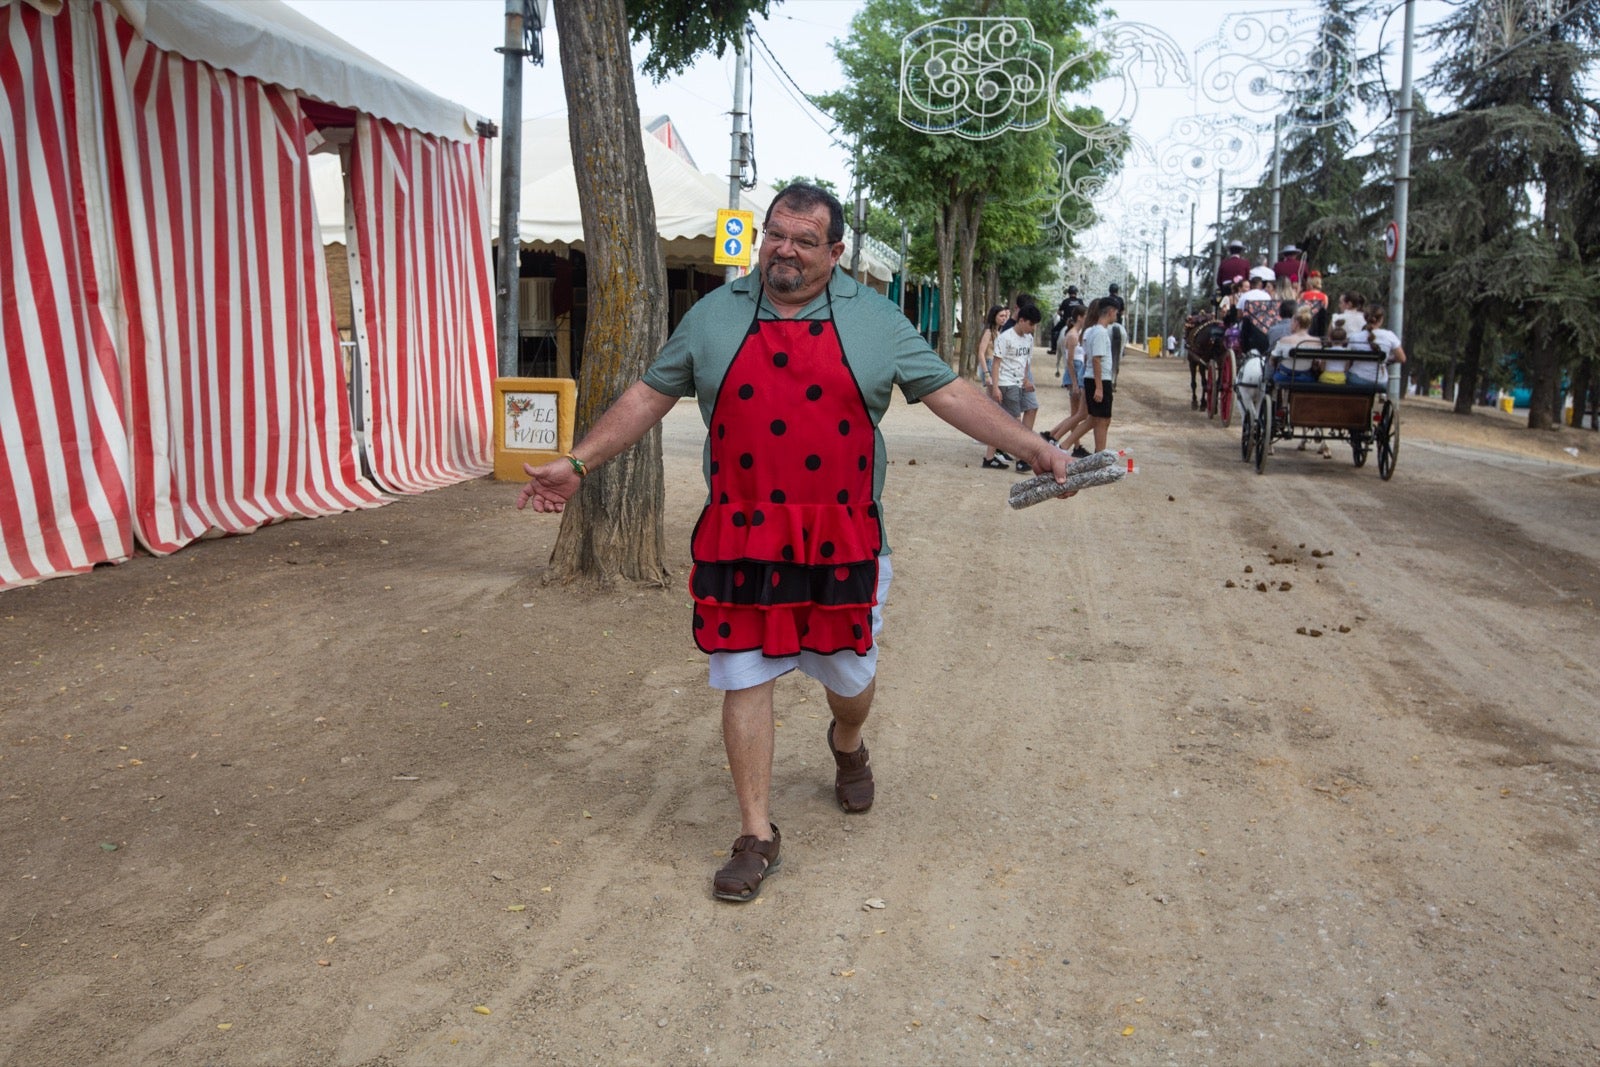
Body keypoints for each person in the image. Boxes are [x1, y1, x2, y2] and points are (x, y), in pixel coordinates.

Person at [515, 183, 1074, 904]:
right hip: (740, 533)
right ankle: (756, 832)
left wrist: (1034, 447)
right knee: (743, 674)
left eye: (805, 240)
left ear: (835, 252)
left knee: (850, 680)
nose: (785, 249)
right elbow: (647, 396)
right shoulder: (714, 315)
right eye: (775, 233)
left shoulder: (876, 320)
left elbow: (952, 394)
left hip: (844, 536)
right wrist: (580, 461)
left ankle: (846, 743)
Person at [1054, 299, 1119, 455]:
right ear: (1110, 312)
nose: (1116, 316)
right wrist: (1099, 387)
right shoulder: (1100, 332)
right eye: (1116, 313)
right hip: (1099, 379)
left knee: (1096, 419)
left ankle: (1074, 448)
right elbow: (1096, 359)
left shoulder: (1092, 331)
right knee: (1101, 420)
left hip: (1095, 378)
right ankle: (1069, 447)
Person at [989, 304, 1043, 471]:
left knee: (1032, 407)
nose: (1033, 328)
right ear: (1021, 320)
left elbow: (1026, 360)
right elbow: (996, 364)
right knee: (1014, 421)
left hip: (1021, 381)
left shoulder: (1029, 338)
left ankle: (1018, 449)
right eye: (1031, 324)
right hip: (1007, 382)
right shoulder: (1005, 338)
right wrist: (995, 387)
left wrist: (1027, 379)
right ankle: (1021, 457)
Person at [977, 304, 1012, 469]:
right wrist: (987, 374)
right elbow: (981, 353)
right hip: (991, 367)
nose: (1003, 319)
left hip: (997, 367)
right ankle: (990, 455)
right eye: (1001, 316)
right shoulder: (989, 332)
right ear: (994, 317)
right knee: (995, 410)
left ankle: (996, 449)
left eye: (1005, 316)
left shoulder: (998, 332)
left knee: (997, 409)